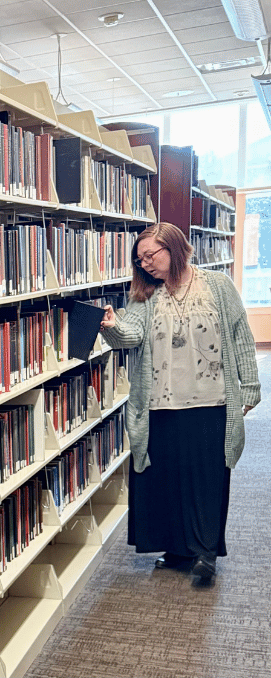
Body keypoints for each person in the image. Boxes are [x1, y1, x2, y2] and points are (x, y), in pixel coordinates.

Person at [100, 222, 260, 585]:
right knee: (166, 479)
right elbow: (132, 335)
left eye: (150, 255)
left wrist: (249, 386)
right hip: (160, 404)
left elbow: (240, 336)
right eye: (139, 260)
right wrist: (111, 326)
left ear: (173, 247)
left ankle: (205, 554)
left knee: (207, 477)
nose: (145, 265)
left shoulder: (217, 286)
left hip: (211, 401)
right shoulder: (145, 296)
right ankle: (175, 550)